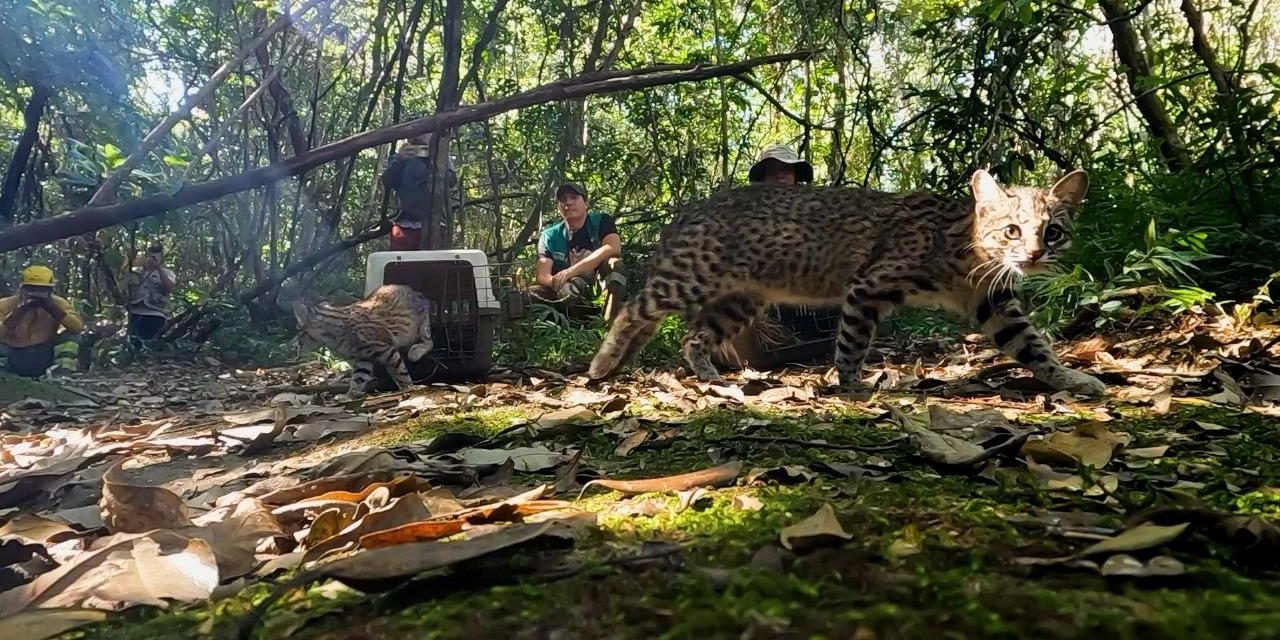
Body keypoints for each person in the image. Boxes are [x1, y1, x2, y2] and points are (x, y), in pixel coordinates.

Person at [530, 183, 627, 321]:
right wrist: (559, 283)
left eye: (573, 197)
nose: (568, 202)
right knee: (528, 294)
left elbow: (613, 247)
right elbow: (542, 274)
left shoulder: (601, 221)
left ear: (586, 203)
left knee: (614, 265)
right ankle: (570, 321)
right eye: (563, 199)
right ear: (558, 207)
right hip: (565, 290)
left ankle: (608, 319)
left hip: (598, 284)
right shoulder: (549, 236)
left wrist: (570, 272)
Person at [0, 265, 84, 377]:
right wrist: (19, 312)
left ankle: (62, 376)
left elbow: (77, 327)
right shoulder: (5, 304)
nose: (36, 294)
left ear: (50, 291)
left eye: (42, 290)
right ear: (21, 289)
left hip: (43, 353)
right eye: (31, 289)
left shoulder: (58, 303)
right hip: (11, 355)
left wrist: (52, 308)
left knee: (70, 338)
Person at [381, 133, 459, 251]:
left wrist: (431, 158)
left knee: (433, 266)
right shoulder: (400, 158)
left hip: (435, 223)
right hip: (405, 224)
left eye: (424, 134)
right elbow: (388, 180)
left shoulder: (440, 156)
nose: (419, 137)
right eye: (414, 134)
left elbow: (451, 180)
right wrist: (399, 160)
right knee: (401, 266)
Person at [126, 243, 176, 347]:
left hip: (155, 314)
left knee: (152, 346)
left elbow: (169, 288)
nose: (150, 260)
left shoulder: (167, 273)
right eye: (149, 256)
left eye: (154, 257)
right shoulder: (135, 272)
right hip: (135, 312)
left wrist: (158, 268)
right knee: (134, 345)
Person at [748, 144, 814, 185]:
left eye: (785, 168)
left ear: (795, 175)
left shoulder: (810, 200)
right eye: (772, 170)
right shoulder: (752, 204)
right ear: (764, 176)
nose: (779, 175)